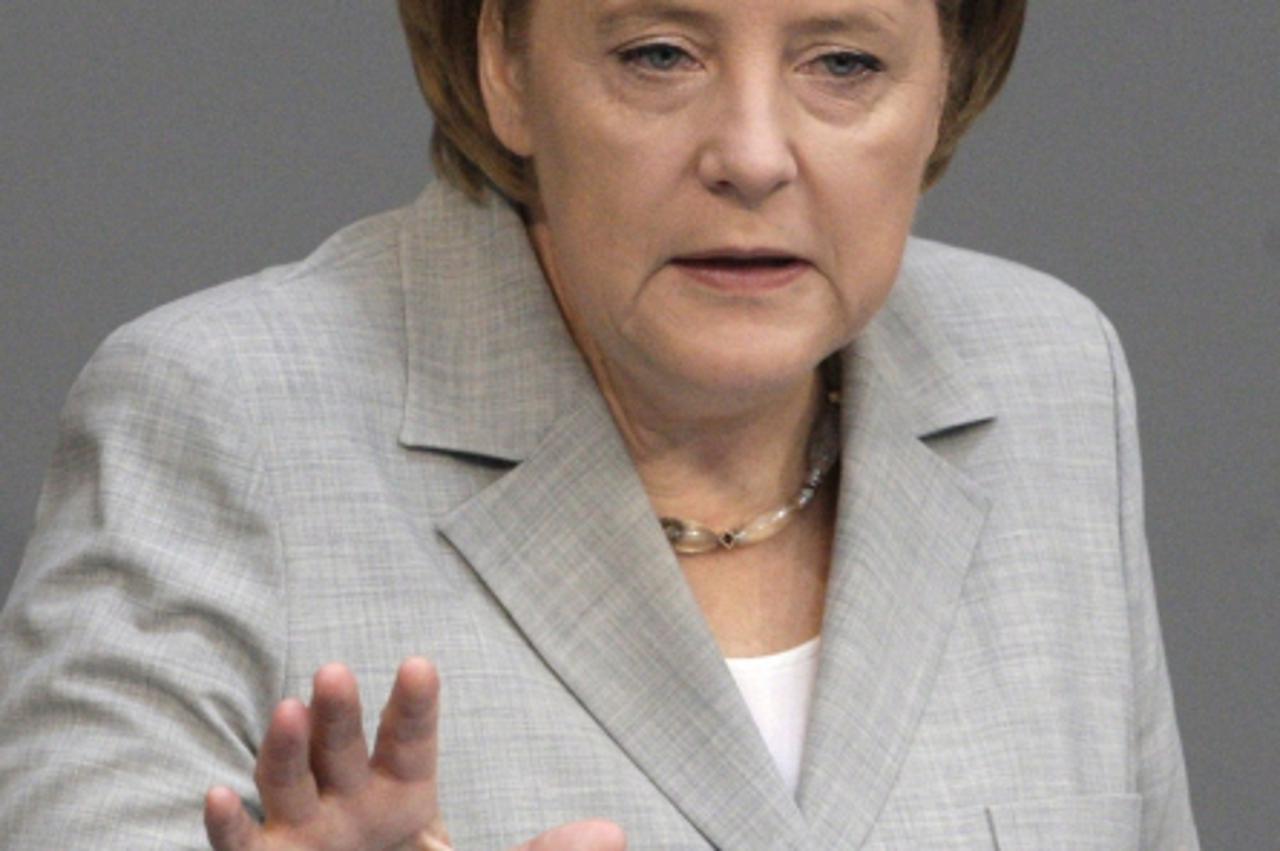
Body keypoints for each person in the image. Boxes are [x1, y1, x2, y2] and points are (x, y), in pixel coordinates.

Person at [0, 0, 1200, 848]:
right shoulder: (224, 416)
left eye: (841, 63)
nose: (749, 154)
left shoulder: (1048, 378)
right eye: (659, 53)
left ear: (948, 76)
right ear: (506, 64)